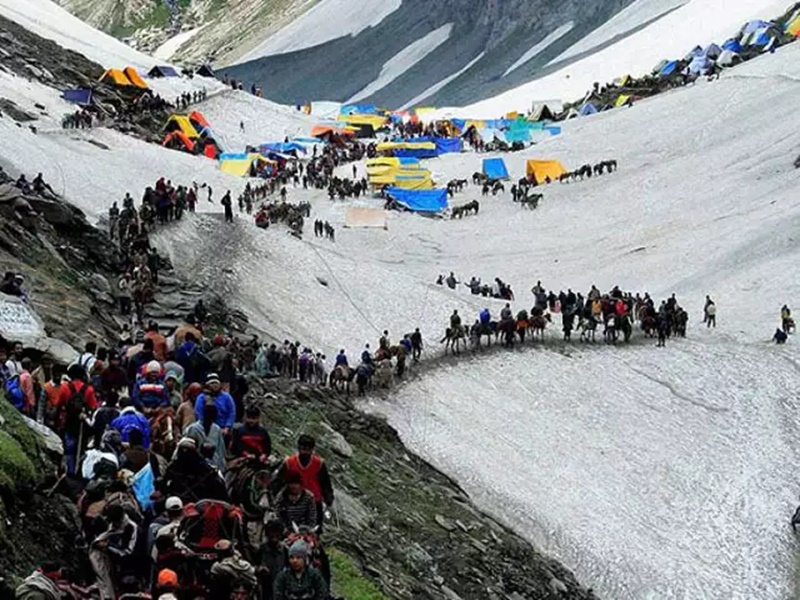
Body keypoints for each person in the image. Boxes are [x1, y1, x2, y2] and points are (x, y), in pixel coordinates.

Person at [274, 435, 334, 529]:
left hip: (314, 501)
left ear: (312, 450)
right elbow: (278, 482)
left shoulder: (319, 464)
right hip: (293, 500)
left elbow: (325, 483)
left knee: (314, 530)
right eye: (303, 449)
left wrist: (328, 499)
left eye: (308, 449)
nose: (305, 452)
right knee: (289, 528)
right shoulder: (289, 462)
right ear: (298, 448)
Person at [90, 503, 138, 600]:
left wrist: (108, 546)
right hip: (113, 563)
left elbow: (128, 552)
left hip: (130, 566)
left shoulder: (131, 527)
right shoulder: (111, 526)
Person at [57, 364, 99, 476]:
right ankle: (80, 471)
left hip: (69, 422)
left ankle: (70, 472)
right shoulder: (89, 390)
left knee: (70, 449)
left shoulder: (65, 387)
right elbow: (94, 407)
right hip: (83, 424)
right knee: (81, 449)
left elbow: (59, 404)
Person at [184, 403, 227, 471]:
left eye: (212, 416)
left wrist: (222, 467)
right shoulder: (193, 429)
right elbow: (187, 449)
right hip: (196, 465)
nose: (210, 418)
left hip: (214, 465)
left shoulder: (216, 429)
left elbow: (220, 450)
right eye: (208, 415)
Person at [257, 520, 287, 600]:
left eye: (277, 534)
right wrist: (260, 569)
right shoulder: (261, 549)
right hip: (265, 584)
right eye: (271, 533)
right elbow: (255, 565)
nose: (274, 536)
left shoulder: (285, 549)